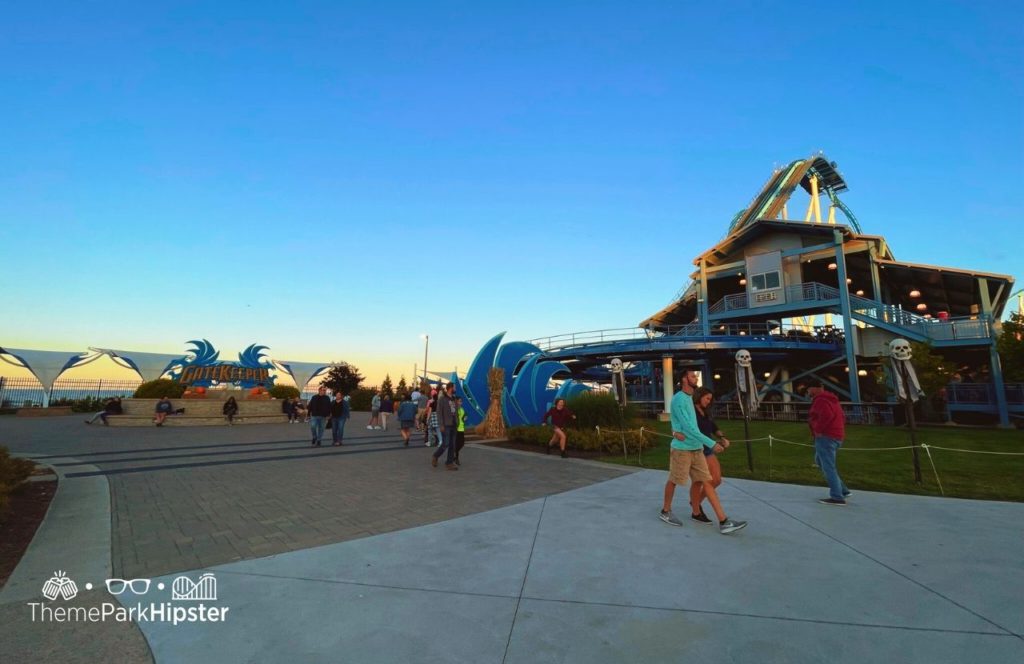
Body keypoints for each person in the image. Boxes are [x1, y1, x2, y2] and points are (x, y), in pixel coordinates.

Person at [660, 369, 747, 535]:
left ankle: (722, 520)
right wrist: (711, 443)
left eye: (696, 375)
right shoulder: (679, 399)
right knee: (674, 480)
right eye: (693, 376)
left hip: (697, 448)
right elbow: (688, 427)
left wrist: (709, 440)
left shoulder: (689, 398)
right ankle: (665, 511)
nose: (696, 377)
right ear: (684, 379)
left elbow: (690, 424)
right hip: (682, 449)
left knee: (705, 482)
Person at [689, 387, 729, 524]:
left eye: (710, 399)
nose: (708, 401)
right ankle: (723, 520)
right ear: (699, 396)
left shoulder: (704, 412)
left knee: (717, 480)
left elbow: (712, 426)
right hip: (696, 450)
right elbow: (692, 431)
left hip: (708, 449)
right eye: (707, 398)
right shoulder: (691, 411)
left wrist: (722, 437)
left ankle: (695, 503)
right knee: (703, 481)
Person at [807, 379, 851, 505]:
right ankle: (843, 490)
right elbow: (841, 416)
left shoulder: (820, 400)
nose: (808, 392)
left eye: (808, 389)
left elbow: (826, 415)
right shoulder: (832, 399)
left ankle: (837, 497)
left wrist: (818, 430)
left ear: (814, 388)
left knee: (828, 467)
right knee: (820, 461)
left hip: (826, 436)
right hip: (836, 435)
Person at [431, 383, 459, 470]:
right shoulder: (442, 399)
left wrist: (457, 421)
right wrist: (441, 425)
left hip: (454, 424)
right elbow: (439, 413)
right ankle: (435, 456)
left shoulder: (454, 399)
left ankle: (449, 463)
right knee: (445, 444)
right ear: (450, 388)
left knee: (452, 445)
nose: (455, 388)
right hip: (446, 425)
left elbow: (456, 411)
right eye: (454, 387)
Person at [454, 396, 467, 466]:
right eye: (459, 401)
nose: (461, 402)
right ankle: (456, 458)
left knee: (461, 443)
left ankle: (454, 454)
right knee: (457, 443)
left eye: (461, 401)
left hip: (461, 428)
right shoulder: (455, 409)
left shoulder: (462, 409)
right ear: (456, 402)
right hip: (457, 429)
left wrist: (465, 417)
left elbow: (463, 416)